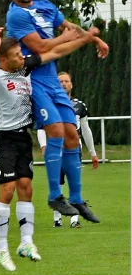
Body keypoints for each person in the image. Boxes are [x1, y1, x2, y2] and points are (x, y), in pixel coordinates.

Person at [0, 26, 97, 271]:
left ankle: (26, 242)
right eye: (16, 54)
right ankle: (1, 247)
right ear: (3, 58)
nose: (21, 56)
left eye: (22, 53)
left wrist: (84, 38)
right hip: (2, 139)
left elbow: (54, 52)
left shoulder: (25, 67)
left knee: (26, 189)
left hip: (23, 137)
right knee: (8, 190)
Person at [5, 0, 108, 222]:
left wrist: (93, 38)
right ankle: (54, 195)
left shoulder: (45, 4)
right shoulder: (16, 15)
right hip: (34, 79)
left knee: (73, 135)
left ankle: (76, 198)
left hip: (52, 80)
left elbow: (70, 27)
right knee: (57, 132)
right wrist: (69, 38)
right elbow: (40, 47)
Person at [37, 71, 99, 228]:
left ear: (71, 84)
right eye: (60, 81)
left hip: (73, 150)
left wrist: (93, 153)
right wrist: (44, 145)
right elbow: (41, 128)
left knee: (73, 181)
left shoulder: (79, 106)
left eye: (66, 81)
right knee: (57, 183)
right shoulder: (47, 104)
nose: (64, 84)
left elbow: (86, 130)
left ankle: (74, 219)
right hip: (55, 148)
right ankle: (57, 220)